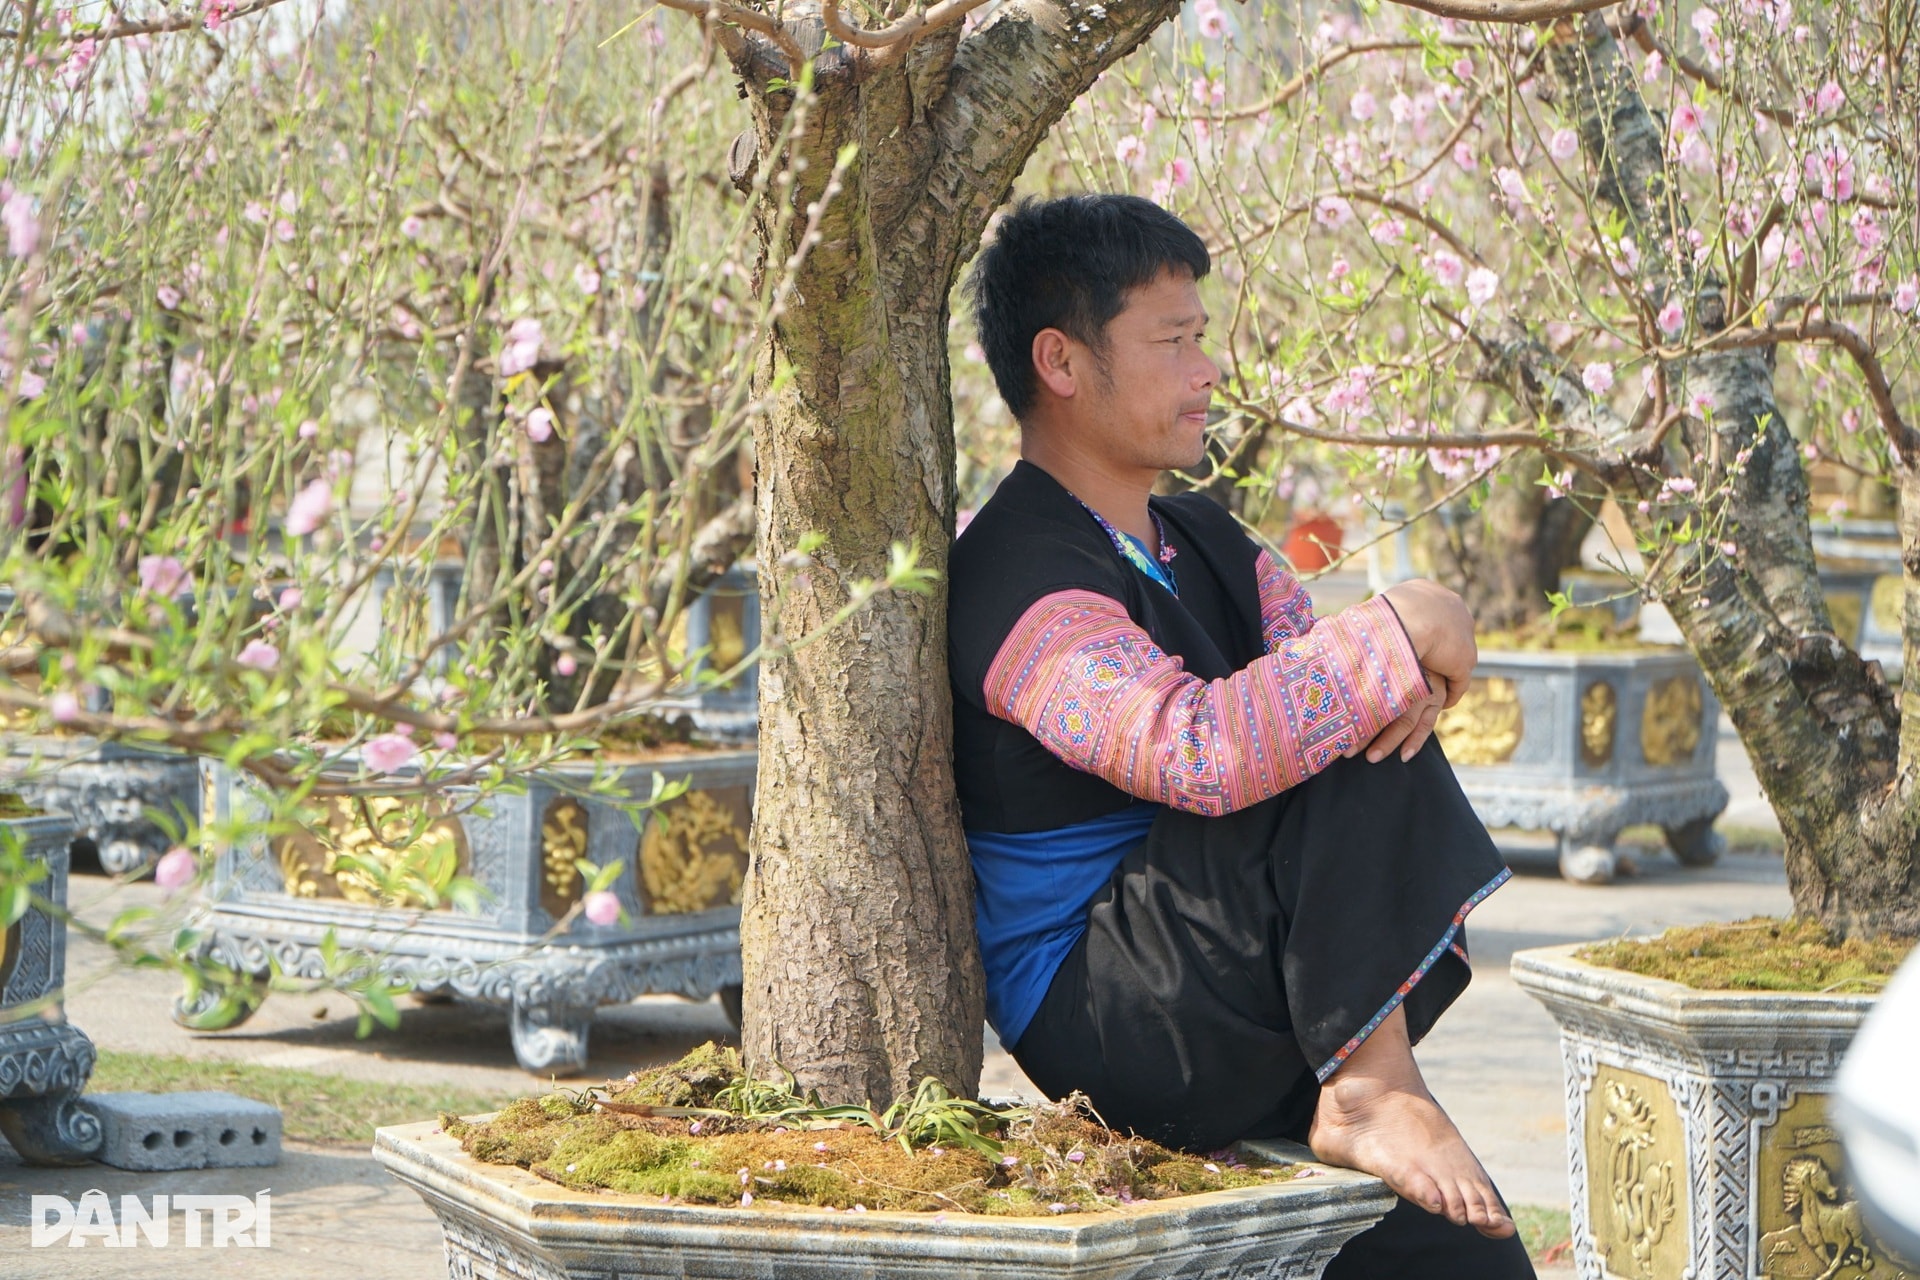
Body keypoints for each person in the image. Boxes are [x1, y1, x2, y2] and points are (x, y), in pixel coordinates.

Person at [949, 193, 1534, 1278]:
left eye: (1201, 338)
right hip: (1107, 997)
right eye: (1172, 342)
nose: (1206, 371)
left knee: (1470, 1259)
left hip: (1239, 958)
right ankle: (1368, 1085)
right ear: (1062, 363)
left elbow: (1332, 687)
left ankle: (1365, 1071)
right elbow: (1199, 751)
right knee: (1328, 708)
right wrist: (1408, 628)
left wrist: (1401, 653)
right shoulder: (1011, 576)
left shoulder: (1206, 536)